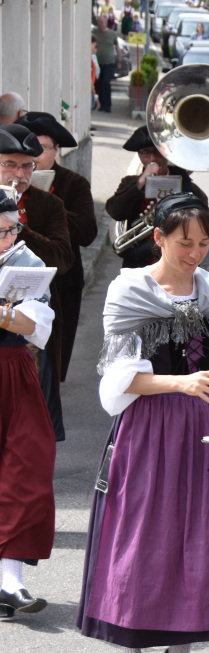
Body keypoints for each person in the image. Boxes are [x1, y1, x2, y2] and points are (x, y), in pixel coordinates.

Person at [78, 193, 209, 653]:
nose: (195, 253)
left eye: (203, 243)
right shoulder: (128, 289)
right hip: (149, 429)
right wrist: (180, 384)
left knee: (199, 539)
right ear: (158, 238)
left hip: (203, 430)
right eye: (185, 243)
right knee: (141, 539)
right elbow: (115, 385)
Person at [0, 196, 56, 619]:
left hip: (13, 367)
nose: (8, 239)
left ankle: (10, 578)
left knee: (26, 465)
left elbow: (38, 330)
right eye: (2, 232)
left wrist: (6, 316)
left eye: (11, 230)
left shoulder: (29, 263)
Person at [0, 124, 73, 441]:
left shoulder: (48, 204)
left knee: (31, 427)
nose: (19, 173)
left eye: (27, 165)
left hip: (28, 331)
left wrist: (15, 227)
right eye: (10, 164)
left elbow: (62, 257)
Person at [16, 112, 98, 381]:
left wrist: (53, 206)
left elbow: (87, 232)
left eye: (41, 149)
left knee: (52, 357)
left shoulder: (73, 184)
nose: (34, 157)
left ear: (56, 150)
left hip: (61, 283)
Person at [106, 126, 208, 270]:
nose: (152, 159)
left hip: (181, 267)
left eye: (157, 152)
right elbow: (116, 212)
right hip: (139, 266)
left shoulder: (188, 187)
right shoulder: (130, 183)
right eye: (145, 153)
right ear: (139, 155)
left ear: (166, 153)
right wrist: (141, 182)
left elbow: (206, 228)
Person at [92, 18, 119, 113]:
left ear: (106, 22)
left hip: (109, 63)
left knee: (105, 83)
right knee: (98, 85)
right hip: (97, 63)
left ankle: (108, 105)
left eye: (102, 21)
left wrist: (119, 61)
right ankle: (102, 104)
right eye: (99, 21)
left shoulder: (112, 34)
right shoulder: (94, 32)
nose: (100, 23)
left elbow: (117, 47)